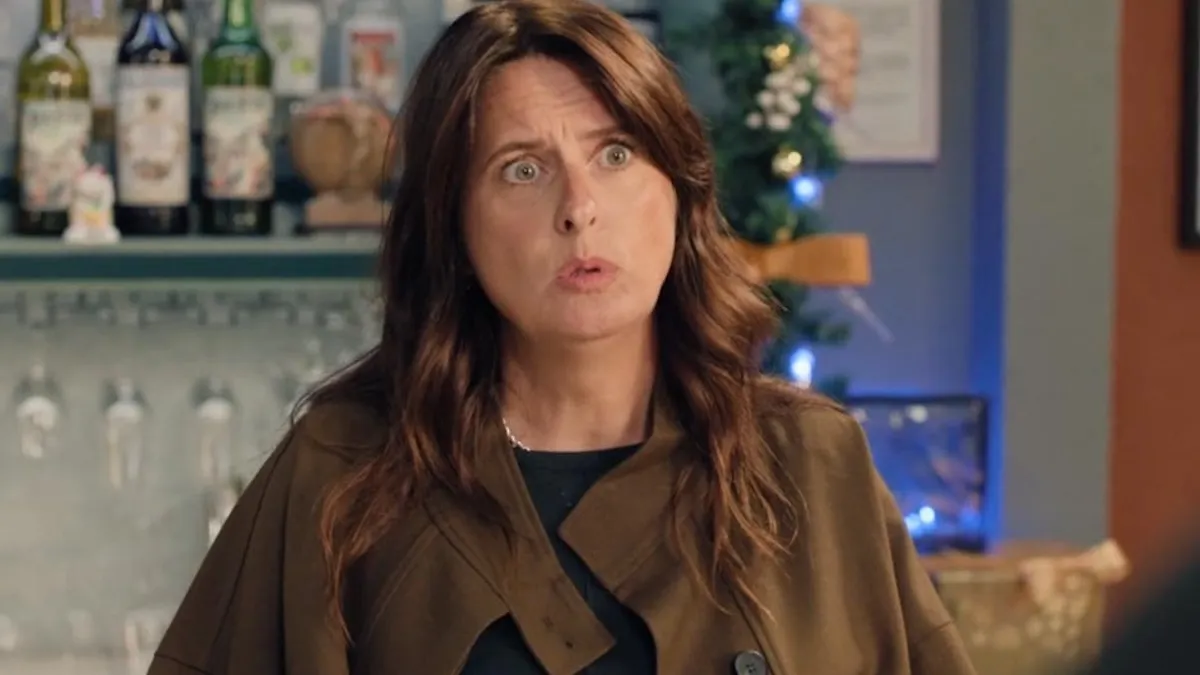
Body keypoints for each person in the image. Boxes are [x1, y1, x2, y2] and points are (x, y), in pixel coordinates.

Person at [147, 1, 976, 673]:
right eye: (523, 168)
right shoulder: (342, 473)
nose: (579, 207)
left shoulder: (810, 463)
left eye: (616, 155)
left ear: (680, 192)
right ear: (453, 226)